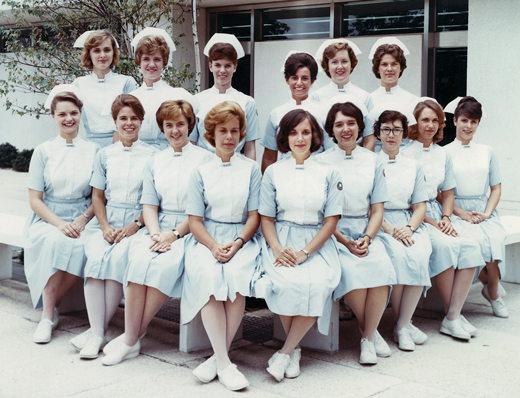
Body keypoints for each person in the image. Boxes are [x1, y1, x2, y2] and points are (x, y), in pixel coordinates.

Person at [101, 99, 213, 366]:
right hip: (157, 227)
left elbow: (202, 210)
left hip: (190, 229)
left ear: (190, 126)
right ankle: (133, 336)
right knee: (138, 261)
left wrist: (172, 236)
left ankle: (131, 338)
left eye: (181, 124)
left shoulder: (205, 159)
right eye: (169, 125)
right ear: (162, 128)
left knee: (165, 266)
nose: (175, 130)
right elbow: (149, 204)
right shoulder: (156, 160)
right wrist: (154, 235)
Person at [256, 109, 342, 381]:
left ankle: (286, 351)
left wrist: (306, 253)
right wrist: (278, 249)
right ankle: (292, 351)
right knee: (283, 283)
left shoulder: (328, 171)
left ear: (315, 136)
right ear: (285, 137)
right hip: (281, 239)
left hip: (317, 242)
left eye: (306, 132)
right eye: (293, 132)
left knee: (318, 284)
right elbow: (266, 219)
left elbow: (331, 221)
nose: (300, 138)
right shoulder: (273, 172)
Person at [182, 101, 261, 391]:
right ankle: (225, 363)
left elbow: (254, 217)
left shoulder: (251, 169)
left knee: (235, 278)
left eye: (234, 131)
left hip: (243, 238)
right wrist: (214, 246)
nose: (229, 137)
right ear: (210, 135)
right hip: (206, 239)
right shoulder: (200, 172)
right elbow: (194, 221)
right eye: (222, 131)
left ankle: (218, 359)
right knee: (210, 276)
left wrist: (238, 243)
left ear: (241, 135)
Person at [74, 94, 156, 359]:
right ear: (115, 122)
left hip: (138, 224)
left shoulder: (154, 156)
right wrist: (105, 226)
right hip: (106, 223)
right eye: (123, 118)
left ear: (141, 121)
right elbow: (98, 196)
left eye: (134, 118)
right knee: (95, 261)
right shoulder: (105, 154)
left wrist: (134, 226)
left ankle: (98, 331)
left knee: (118, 260)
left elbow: (155, 202)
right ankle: (97, 334)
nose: (129, 123)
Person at [316, 102, 396, 364]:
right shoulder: (321, 162)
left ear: (360, 127)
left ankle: (367, 336)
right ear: (331, 129)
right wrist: (344, 240)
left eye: (351, 123)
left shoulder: (373, 160)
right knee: (352, 271)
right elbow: (323, 214)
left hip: (366, 230)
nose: (346, 129)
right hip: (334, 233)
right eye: (339, 124)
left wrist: (368, 238)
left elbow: (377, 210)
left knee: (382, 267)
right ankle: (370, 333)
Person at [402, 99, 485, 340]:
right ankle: (454, 316)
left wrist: (447, 217)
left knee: (470, 245)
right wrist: (432, 222)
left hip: (439, 213)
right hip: (416, 216)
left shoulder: (442, 154)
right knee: (446, 245)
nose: (430, 125)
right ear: (416, 122)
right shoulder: (406, 153)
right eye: (425, 119)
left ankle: (452, 315)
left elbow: (447, 193)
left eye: (435, 120)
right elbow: (405, 198)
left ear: (441, 124)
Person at [24, 89, 98, 344]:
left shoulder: (94, 150)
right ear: (53, 117)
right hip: (49, 217)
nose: (69, 119)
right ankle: (47, 317)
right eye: (62, 114)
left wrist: (83, 219)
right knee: (56, 241)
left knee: (87, 245)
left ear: (80, 114)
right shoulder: (43, 151)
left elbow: (100, 197)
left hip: (85, 217)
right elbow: (35, 200)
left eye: (74, 113)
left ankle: (51, 305)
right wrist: (59, 224)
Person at [444, 96, 508, 318]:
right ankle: (493, 290)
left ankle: (493, 294)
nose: (468, 126)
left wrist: (487, 214)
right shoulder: (445, 153)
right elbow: (440, 193)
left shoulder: (487, 152)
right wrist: (460, 213)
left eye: (473, 122)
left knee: (493, 243)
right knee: (474, 245)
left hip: (484, 210)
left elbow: (496, 188)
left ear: (478, 123)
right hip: (456, 210)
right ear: (455, 121)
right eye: (464, 120)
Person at [374, 109, 432, 352]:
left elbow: (420, 205)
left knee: (419, 254)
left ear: (404, 133)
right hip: (379, 222)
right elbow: (368, 206)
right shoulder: (370, 162)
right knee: (397, 257)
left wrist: (408, 228)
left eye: (397, 129)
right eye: (386, 129)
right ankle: (402, 324)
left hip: (408, 223)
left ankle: (402, 325)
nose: (391, 135)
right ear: (378, 133)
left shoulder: (413, 165)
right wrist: (388, 228)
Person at [190, 33, 260, 160]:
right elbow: (192, 143)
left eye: (227, 65)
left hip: (236, 164)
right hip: (204, 164)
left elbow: (250, 147)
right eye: (217, 65)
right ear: (210, 66)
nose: (222, 70)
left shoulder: (246, 102)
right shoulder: (197, 101)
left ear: (235, 67)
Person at [261, 51, 331, 172]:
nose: (299, 83)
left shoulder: (323, 112)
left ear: (312, 80)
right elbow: (269, 157)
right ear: (287, 79)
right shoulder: (276, 114)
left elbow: (330, 154)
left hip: (316, 173)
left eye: (304, 78)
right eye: (294, 78)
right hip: (285, 173)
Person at [126, 27, 195, 150]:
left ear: (164, 62)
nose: (151, 64)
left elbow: (191, 139)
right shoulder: (131, 98)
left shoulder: (178, 96)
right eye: (146, 59)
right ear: (138, 61)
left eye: (157, 59)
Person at [72, 30, 137, 148]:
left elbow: (132, 117)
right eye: (96, 50)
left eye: (107, 50)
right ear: (89, 54)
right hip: (89, 146)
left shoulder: (126, 82)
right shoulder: (78, 84)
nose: (102, 55)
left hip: (122, 143)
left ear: (113, 53)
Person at [312, 39, 375, 149]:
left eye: (344, 61)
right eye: (334, 62)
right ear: (327, 66)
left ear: (351, 65)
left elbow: (369, 138)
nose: (340, 66)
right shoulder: (316, 97)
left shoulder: (364, 97)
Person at [368, 38, 418, 151]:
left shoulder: (412, 100)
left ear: (401, 68)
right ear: (377, 68)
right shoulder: (368, 99)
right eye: (384, 64)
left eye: (394, 64)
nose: (389, 69)